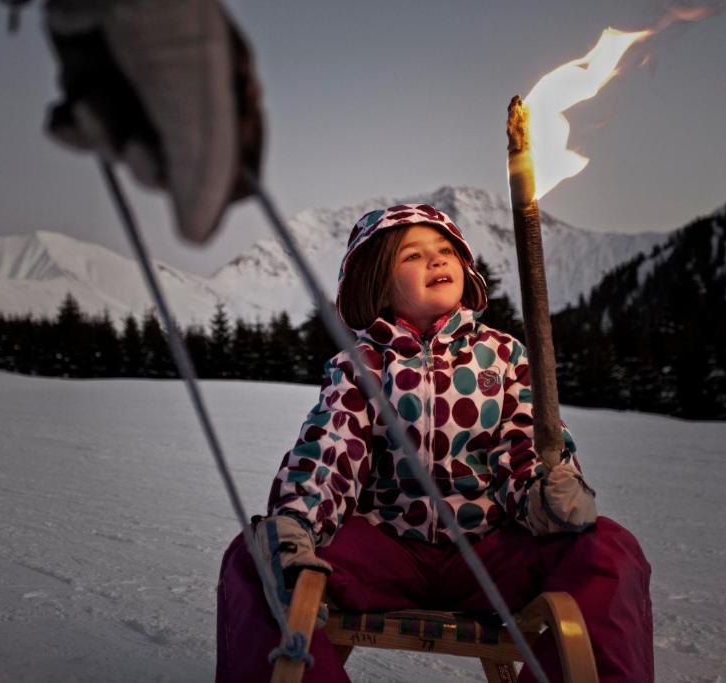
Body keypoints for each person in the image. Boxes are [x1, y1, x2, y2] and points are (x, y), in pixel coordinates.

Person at [216, 204, 653, 682]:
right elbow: (332, 449)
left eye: (446, 249)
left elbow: (523, 444)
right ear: (377, 282)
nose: (437, 260)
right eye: (413, 255)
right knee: (257, 557)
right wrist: (297, 521)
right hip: (389, 550)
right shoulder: (361, 365)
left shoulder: (502, 357)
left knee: (609, 549)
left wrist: (547, 494)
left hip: (488, 550)